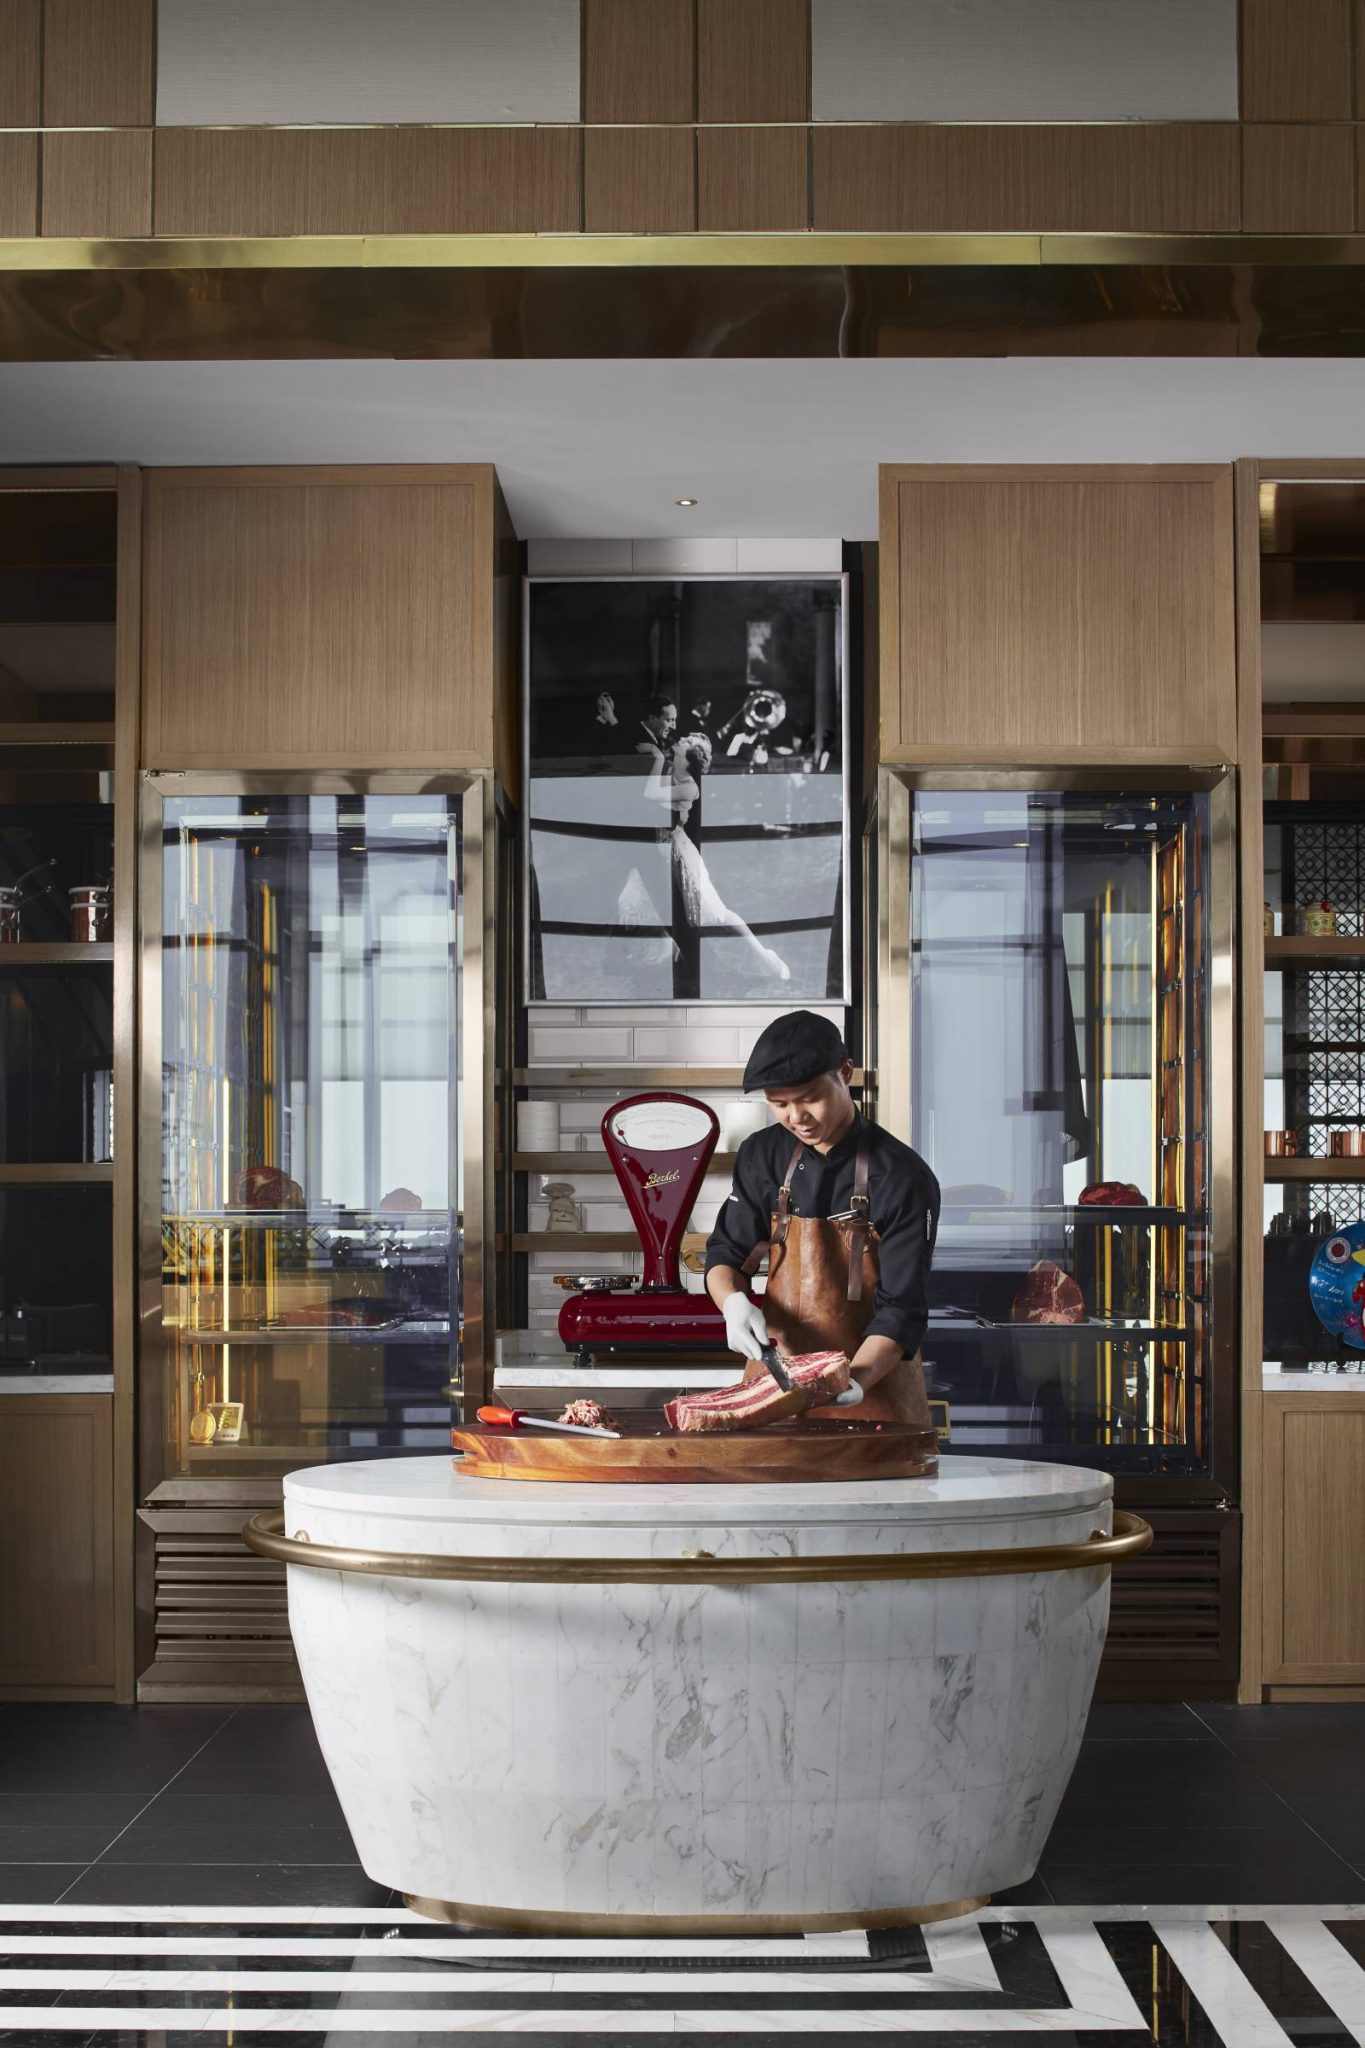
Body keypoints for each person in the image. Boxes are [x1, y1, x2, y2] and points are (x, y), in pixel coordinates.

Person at [704, 1011, 939, 1425]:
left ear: (844, 1073)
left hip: (874, 1388)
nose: (796, 1117)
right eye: (779, 1104)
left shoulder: (903, 1175)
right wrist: (732, 1304)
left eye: (810, 1097)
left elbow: (902, 1309)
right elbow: (727, 1252)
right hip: (776, 1382)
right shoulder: (762, 1155)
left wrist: (855, 1381)